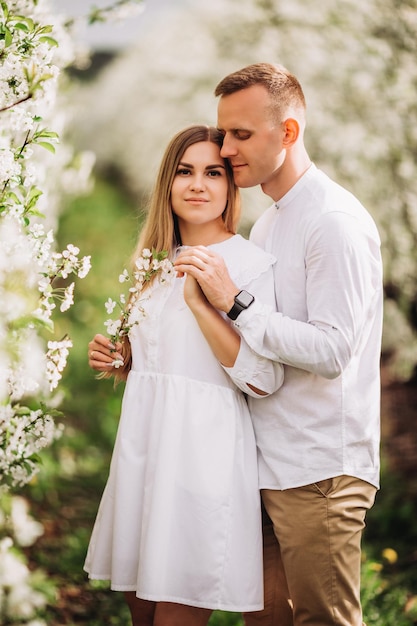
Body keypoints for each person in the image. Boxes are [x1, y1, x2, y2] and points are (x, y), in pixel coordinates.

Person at [174, 64, 383, 626]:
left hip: (319, 473)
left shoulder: (333, 222)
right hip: (265, 466)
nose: (225, 147)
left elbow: (334, 350)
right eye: (224, 133)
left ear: (288, 133)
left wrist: (236, 301)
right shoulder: (268, 225)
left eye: (241, 134)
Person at [84, 124, 284, 626]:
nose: (198, 184)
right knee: (142, 611)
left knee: (176, 612)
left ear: (230, 185)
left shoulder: (251, 266)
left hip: (202, 458)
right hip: (144, 451)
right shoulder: (153, 264)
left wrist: (203, 304)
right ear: (167, 184)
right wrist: (123, 360)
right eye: (185, 172)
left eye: (213, 173)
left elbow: (262, 378)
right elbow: (167, 364)